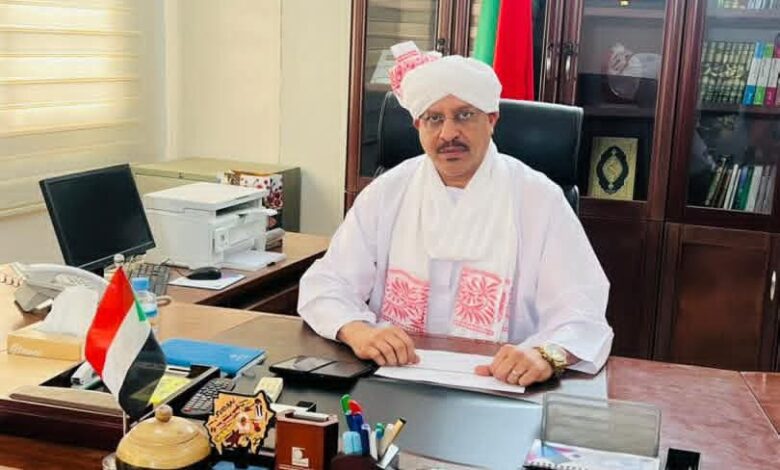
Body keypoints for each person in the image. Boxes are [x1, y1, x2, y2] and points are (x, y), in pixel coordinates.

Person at [298, 41, 613, 387]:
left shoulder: (539, 200)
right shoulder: (387, 192)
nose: (448, 133)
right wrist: (358, 330)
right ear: (418, 125)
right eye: (434, 118)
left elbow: (583, 313)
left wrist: (545, 355)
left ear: (491, 119)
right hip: (396, 379)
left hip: (505, 385)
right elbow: (326, 284)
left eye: (464, 115)